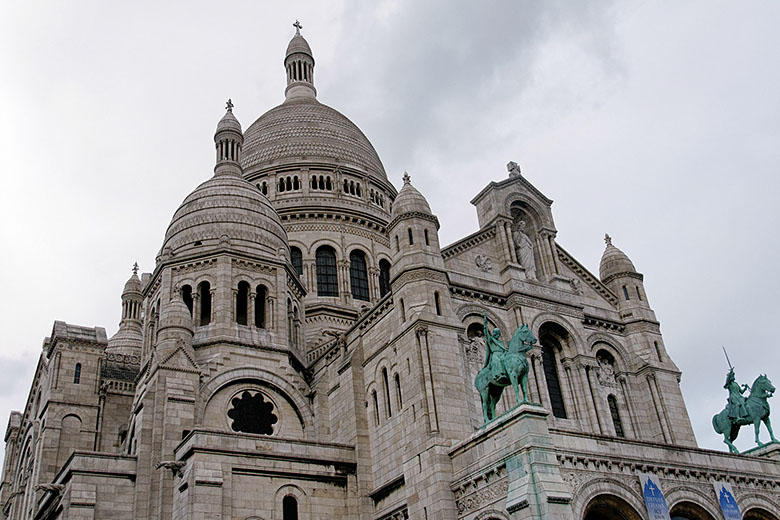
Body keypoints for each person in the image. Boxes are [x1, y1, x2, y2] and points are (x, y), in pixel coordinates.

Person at [482, 311, 508, 381]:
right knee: (497, 361)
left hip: (502, 354)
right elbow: (486, 334)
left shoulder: (500, 342)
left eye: (498, 333)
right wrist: (485, 324)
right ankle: (499, 375)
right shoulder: (491, 340)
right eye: (496, 333)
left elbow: (504, 349)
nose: (497, 335)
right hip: (495, 355)